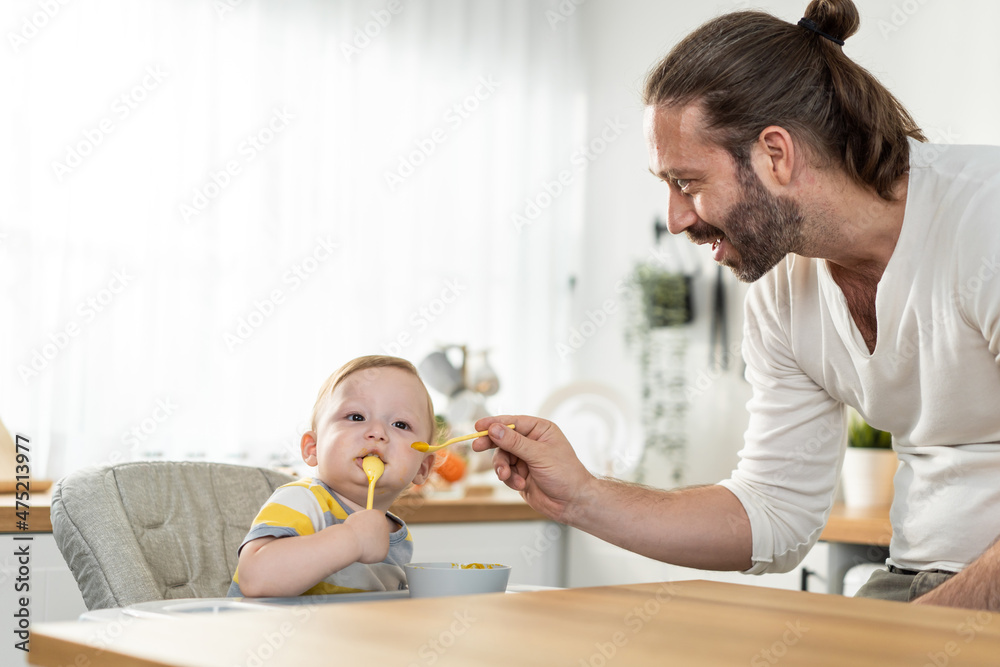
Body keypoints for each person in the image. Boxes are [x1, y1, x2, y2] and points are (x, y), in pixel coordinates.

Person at [473, 0, 1000, 611]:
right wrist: (581, 496)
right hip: (917, 577)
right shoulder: (783, 290)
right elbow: (774, 511)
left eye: (687, 182)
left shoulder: (983, 219)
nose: (675, 219)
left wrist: (919, 633)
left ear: (775, 154)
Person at [228, 355, 436, 597]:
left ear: (422, 468)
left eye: (400, 424)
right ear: (312, 448)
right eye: (356, 417)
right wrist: (353, 540)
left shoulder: (399, 535)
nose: (377, 432)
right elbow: (256, 579)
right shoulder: (303, 500)